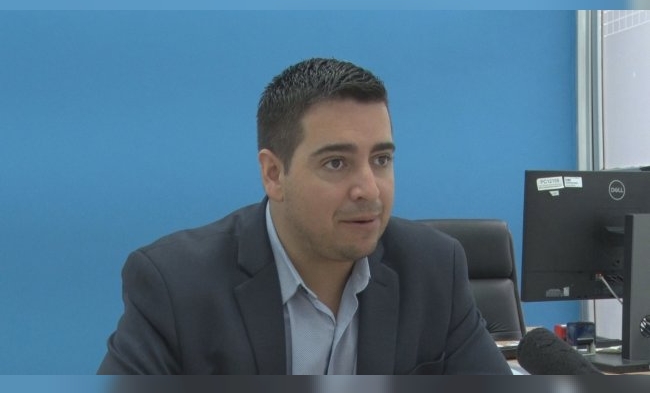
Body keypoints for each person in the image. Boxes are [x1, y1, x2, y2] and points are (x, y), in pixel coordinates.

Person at [97, 57, 512, 375]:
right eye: (336, 163)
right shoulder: (176, 285)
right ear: (273, 174)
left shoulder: (434, 269)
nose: (369, 189)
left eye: (381, 159)